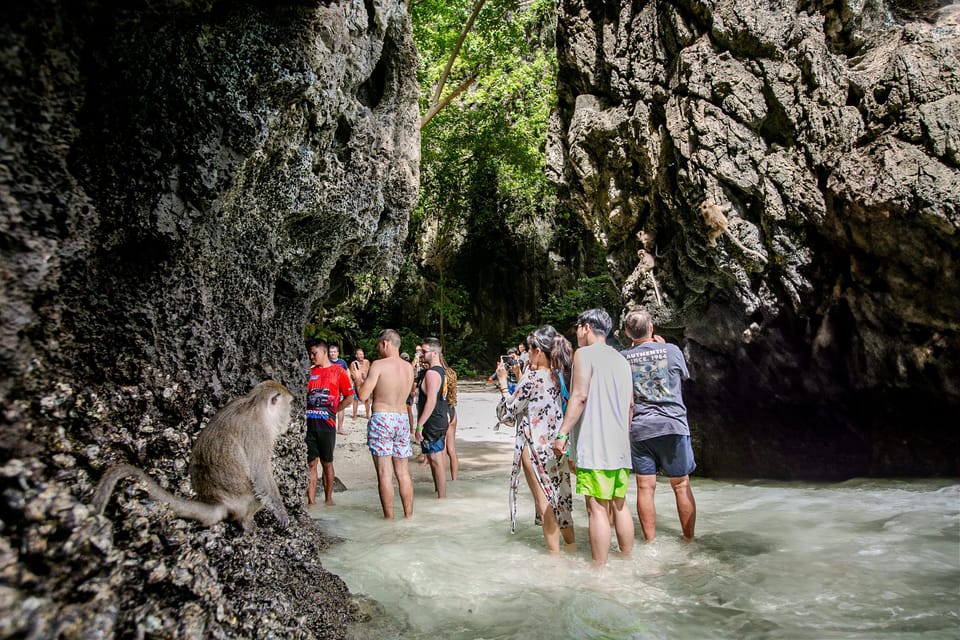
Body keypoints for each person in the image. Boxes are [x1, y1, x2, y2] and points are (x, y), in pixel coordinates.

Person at [552, 308, 635, 566]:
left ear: (586, 327)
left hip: (596, 445)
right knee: (619, 504)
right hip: (620, 446)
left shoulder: (584, 354)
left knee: (596, 507)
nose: (576, 332)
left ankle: (599, 571)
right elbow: (631, 406)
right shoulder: (621, 359)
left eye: (578, 326)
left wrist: (562, 433)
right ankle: (627, 561)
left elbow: (579, 396)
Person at [497, 325, 575, 552]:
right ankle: (571, 548)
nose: (527, 354)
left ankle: (554, 559)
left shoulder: (532, 378)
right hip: (556, 446)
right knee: (561, 500)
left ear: (538, 351)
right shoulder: (558, 375)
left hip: (534, 448)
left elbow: (507, 412)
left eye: (529, 350)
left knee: (544, 503)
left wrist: (503, 384)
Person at [621, 307, 697, 541]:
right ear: (651, 328)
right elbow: (683, 375)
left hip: (640, 428)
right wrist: (662, 347)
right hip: (672, 425)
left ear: (627, 333)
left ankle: (650, 541)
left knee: (645, 487)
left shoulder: (623, 357)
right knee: (681, 485)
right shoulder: (672, 351)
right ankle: (688, 539)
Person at [357, 329, 416, 519]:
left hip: (383, 417)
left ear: (385, 344)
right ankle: (408, 516)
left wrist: (359, 380)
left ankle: (389, 519)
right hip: (402, 418)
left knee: (384, 473)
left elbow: (363, 395)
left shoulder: (378, 365)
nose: (378, 349)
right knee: (403, 473)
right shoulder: (409, 368)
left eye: (378, 345)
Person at [306, 339, 354, 506]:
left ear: (324, 352)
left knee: (327, 463)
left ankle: (328, 498)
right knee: (311, 463)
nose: (312, 357)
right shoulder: (309, 372)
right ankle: (311, 502)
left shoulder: (338, 371)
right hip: (309, 425)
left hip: (327, 426)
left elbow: (349, 397)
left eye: (314, 353)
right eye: (310, 354)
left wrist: (334, 410)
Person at [415, 337, 449, 498]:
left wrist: (420, 424)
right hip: (440, 419)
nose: (421, 354)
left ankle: (442, 498)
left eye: (424, 351)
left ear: (434, 353)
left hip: (432, 422)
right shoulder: (441, 371)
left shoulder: (432, 373)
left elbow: (431, 401)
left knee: (436, 461)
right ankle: (439, 494)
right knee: (437, 458)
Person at [440, 353, 459, 480]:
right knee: (451, 450)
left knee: (441, 450)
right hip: (452, 410)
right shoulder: (451, 373)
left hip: (443, 412)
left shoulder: (438, 374)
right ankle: (454, 479)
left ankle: (441, 482)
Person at [328, 345, 350, 434]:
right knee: (329, 408)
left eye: (334, 352)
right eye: (331, 352)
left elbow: (347, 372)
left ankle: (340, 428)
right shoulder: (326, 362)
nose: (332, 353)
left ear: (337, 353)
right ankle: (330, 427)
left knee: (341, 408)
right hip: (329, 388)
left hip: (340, 388)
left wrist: (348, 384)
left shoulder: (342, 362)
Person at [350, 348, 372, 420]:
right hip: (357, 383)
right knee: (355, 399)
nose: (361, 355)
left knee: (367, 399)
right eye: (359, 354)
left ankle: (367, 414)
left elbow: (370, 371)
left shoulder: (367, 362)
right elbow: (352, 374)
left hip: (366, 383)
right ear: (356, 355)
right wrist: (357, 376)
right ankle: (355, 415)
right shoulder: (353, 364)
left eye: (362, 354)